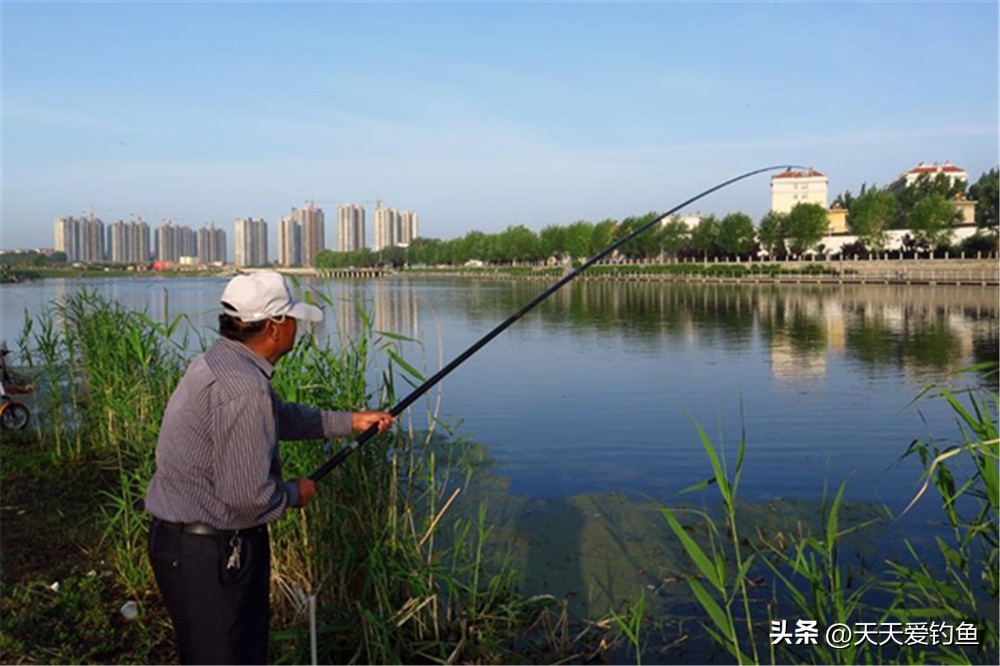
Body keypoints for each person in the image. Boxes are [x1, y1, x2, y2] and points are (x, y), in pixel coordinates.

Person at [145, 271, 394, 665]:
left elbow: (278, 417)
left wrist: (351, 420)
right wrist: (295, 494)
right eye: (293, 317)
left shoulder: (220, 363)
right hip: (212, 555)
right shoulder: (244, 387)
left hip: (184, 547)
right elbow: (248, 500)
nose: (297, 327)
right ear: (276, 327)